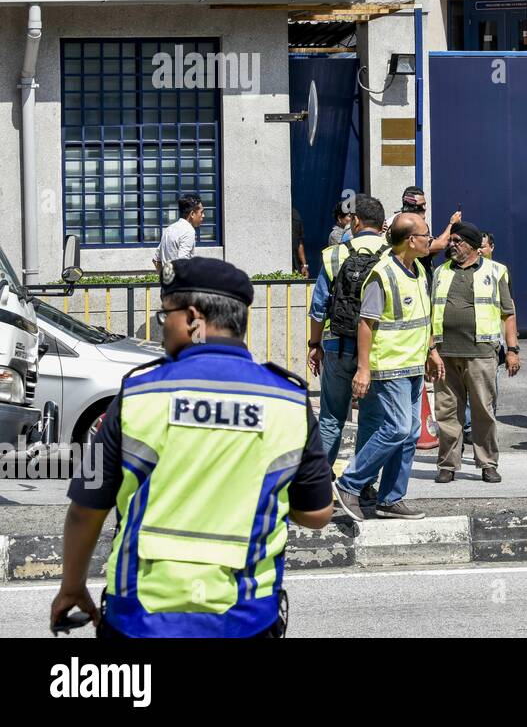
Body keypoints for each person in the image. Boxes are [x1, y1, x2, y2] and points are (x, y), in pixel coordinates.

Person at [51, 258, 334, 638]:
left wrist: (71, 588)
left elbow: (85, 510)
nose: (160, 326)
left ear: (193, 318)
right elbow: (317, 514)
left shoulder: (136, 395)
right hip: (246, 619)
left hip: (139, 618)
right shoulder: (288, 401)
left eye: (163, 315)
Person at [333, 213, 436, 520]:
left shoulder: (417, 268)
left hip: (414, 364)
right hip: (389, 366)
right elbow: (366, 324)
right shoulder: (383, 273)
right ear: (411, 240)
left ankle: (390, 497)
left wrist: (431, 351)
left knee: (411, 432)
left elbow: (422, 316)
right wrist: (363, 369)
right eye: (426, 235)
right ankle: (350, 484)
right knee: (397, 427)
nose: (430, 240)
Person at [427, 221, 519, 484]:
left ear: (473, 245)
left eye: (457, 241)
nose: (451, 245)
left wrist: (512, 350)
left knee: (483, 411)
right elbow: (430, 313)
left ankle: (487, 462)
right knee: (446, 411)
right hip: (445, 354)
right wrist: (430, 350)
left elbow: (508, 314)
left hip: (481, 353)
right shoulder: (441, 272)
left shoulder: (497, 271)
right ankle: (447, 464)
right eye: (451, 241)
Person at [308, 193, 389, 473]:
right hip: (379, 350)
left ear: (355, 221)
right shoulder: (393, 256)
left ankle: (315, 483)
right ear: (381, 224)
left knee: (331, 418)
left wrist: (314, 344)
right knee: (370, 418)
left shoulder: (334, 255)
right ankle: (362, 484)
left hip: (336, 345)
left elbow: (318, 308)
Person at [152, 193, 203, 271]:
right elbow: (182, 263)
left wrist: (166, 280)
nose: (203, 215)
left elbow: (156, 260)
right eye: (201, 212)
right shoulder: (188, 231)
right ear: (192, 214)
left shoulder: (169, 229)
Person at [291, 207, 309, 277]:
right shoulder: (296, 215)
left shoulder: (295, 215)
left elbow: (300, 244)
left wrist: (304, 265)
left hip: (295, 264)